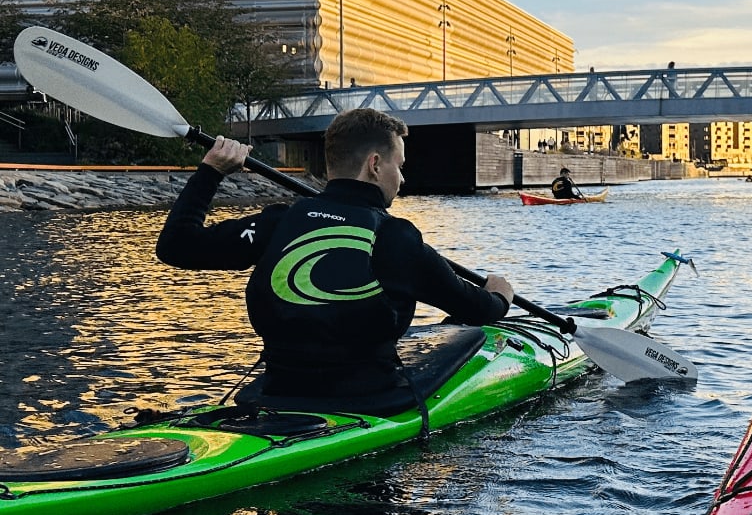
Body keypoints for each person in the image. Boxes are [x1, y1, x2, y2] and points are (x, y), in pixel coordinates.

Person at [156, 108, 514, 402]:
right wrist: (499, 294)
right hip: (370, 400)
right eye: (399, 165)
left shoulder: (279, 221)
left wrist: (211, 171)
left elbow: (176, 246)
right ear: (375, 165)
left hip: (277, 393)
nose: (401, 179)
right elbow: (476, 309)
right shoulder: (395, 237)